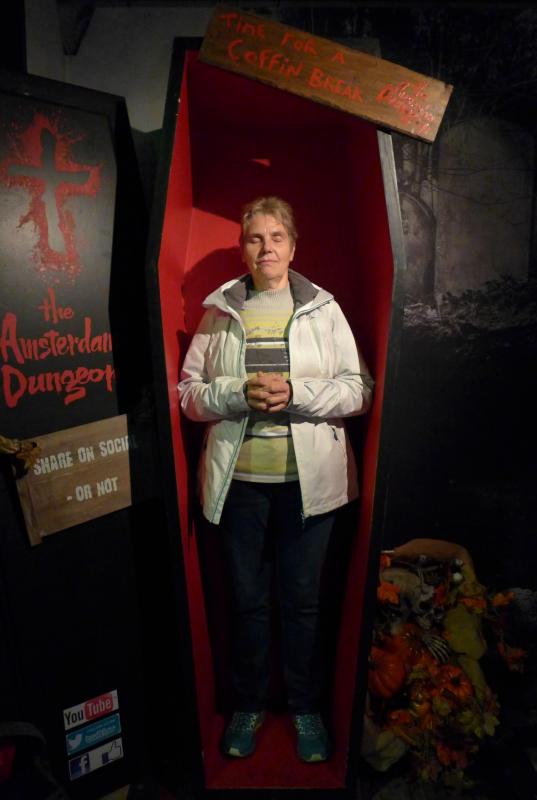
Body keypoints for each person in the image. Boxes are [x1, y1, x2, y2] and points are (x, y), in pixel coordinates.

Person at [179, 196, 373, 763]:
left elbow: (359, 390)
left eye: (276, 237)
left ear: (293, 245)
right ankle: (249, 705)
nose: (266, 248)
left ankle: (307, 707)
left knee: (304, 604)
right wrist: (238, 393)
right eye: (255, 238)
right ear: (243, 248)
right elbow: (190, 395)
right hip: (238, 486)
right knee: (246, 603)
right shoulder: (221, 312)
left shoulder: (323, 310)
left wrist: (296, 393)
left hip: (310, 489)